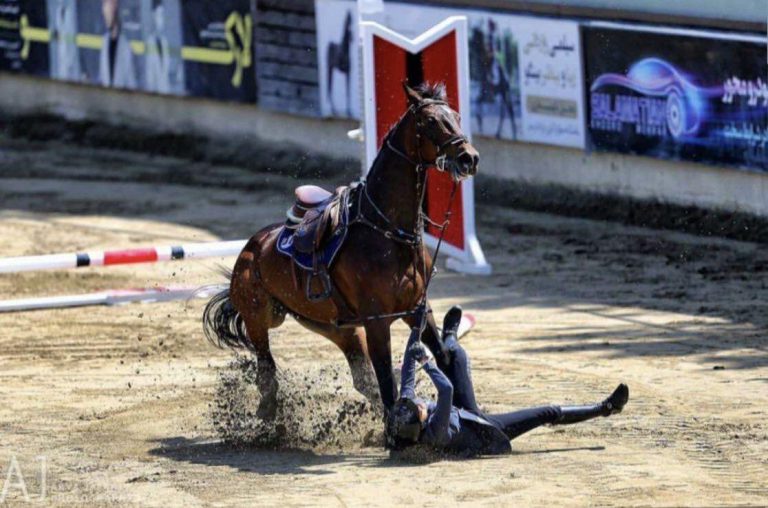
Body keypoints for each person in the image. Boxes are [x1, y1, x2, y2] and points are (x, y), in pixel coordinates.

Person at [387, 306, 629, 455]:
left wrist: (416, 325)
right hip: (483, 431)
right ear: (421, 425)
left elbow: (408, 369)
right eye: (418, 410)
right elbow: (446, 391)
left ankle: (450, 337)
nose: (417, 403)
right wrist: (427, 364)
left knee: (458, 357)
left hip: (461, 411)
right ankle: (606, 408)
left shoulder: (405, 412)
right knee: (547, 412)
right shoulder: (435, 432)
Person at [99, 0, 137, 89]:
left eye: (108, 10)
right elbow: (102, 75)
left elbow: (131, 81)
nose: (105, 15)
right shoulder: (104, 41)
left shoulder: (126, 46)